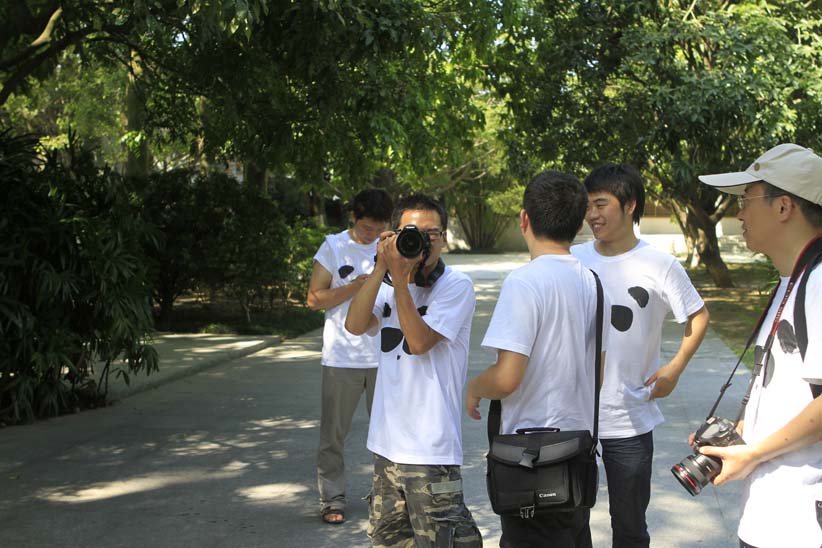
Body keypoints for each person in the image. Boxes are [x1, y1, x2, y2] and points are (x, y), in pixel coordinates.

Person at [466, 171, 609, 548]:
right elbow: (598, 373)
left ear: (524, 219)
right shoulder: (594, 283)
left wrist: (474, 387)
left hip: (531, 464)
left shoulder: (524, 282)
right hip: (577, 458)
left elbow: (506, 378)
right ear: (579, 225)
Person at [570, 163, 710, 548]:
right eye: (587, 206)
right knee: (569, 520)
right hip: (571, 414)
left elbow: (698, 316)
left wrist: (674, 369)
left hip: (629, 415)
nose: (592, 215)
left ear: (630, 204)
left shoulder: (659, 264)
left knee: (630, 525)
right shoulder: (573, 258)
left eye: (601, 204)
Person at [696, 143, 822, 548]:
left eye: (746, 200)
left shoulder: (819, 283)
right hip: (771, 515)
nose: (739, 214)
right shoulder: (794, 280)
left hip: (802, 524)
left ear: (783, 207)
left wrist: (753, 453)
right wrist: (741, 432)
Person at [345, 194, 482, 547]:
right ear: (393, 236)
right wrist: (381, 267)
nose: (421, 242)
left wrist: (400, 279)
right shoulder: (388, 284)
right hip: (386, 446)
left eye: (430, 233)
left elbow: (419, 342)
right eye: (410, 232)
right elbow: (355, 325)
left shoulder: (456, 286)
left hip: (431, 452)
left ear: (444, 238)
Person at [306, 188, 393, 525]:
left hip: (386, 356)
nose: (372, 235)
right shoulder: (334, 246)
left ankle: (387, 499)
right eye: (366, 227)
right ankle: (332, 499)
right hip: (342, 357)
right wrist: (357, 286)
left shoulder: (391, 246)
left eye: (378, 228)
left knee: (390, 434)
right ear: (353, 217)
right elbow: (314, 299)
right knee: (333, 435)